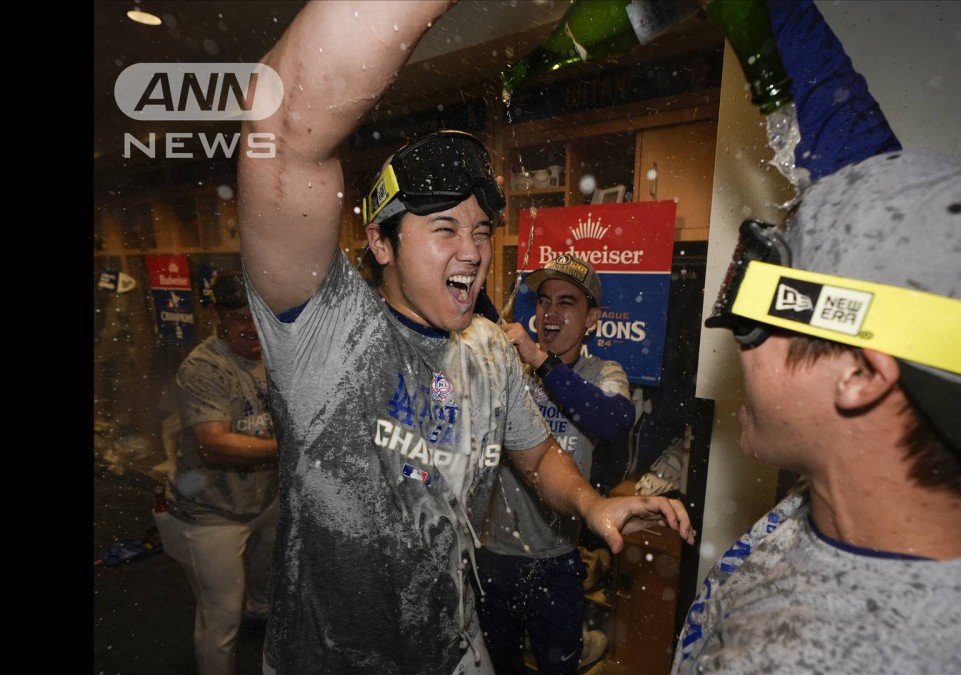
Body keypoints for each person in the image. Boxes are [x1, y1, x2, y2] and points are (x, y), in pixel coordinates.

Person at [235, 3, 694, 673]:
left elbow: (537, 459)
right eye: (444, 228)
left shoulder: (488, 347)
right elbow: (278, 120)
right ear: (381, 241)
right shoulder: (323, 327)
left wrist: (594, 504)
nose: (473, 250)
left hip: (451, 652)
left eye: (481, 232)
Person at [670, 1, 961, 673]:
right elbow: (877, 214)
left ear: (863, 373)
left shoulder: (820, 657)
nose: (740, 341)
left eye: (759, 297)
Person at [477, 254, 635, 674]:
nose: (551, 313)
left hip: (558, 561)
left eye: (567, 302)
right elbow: (480, 310)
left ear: (591, 318)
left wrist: (541, 362)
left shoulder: (604, 371)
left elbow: (614, 420)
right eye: (544, 301)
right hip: (493, 557)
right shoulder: (512, 367)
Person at [153, 270, 279, 675]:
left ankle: (259, 619)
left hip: (261, 500)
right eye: (241, 318)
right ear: (216, 316)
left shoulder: (273, 356)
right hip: (209, 512)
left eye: (260, 317)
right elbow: (214, 445)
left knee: (266, 586)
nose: (253, 329)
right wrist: (291, 449)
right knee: (221, 615)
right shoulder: (204, 367)